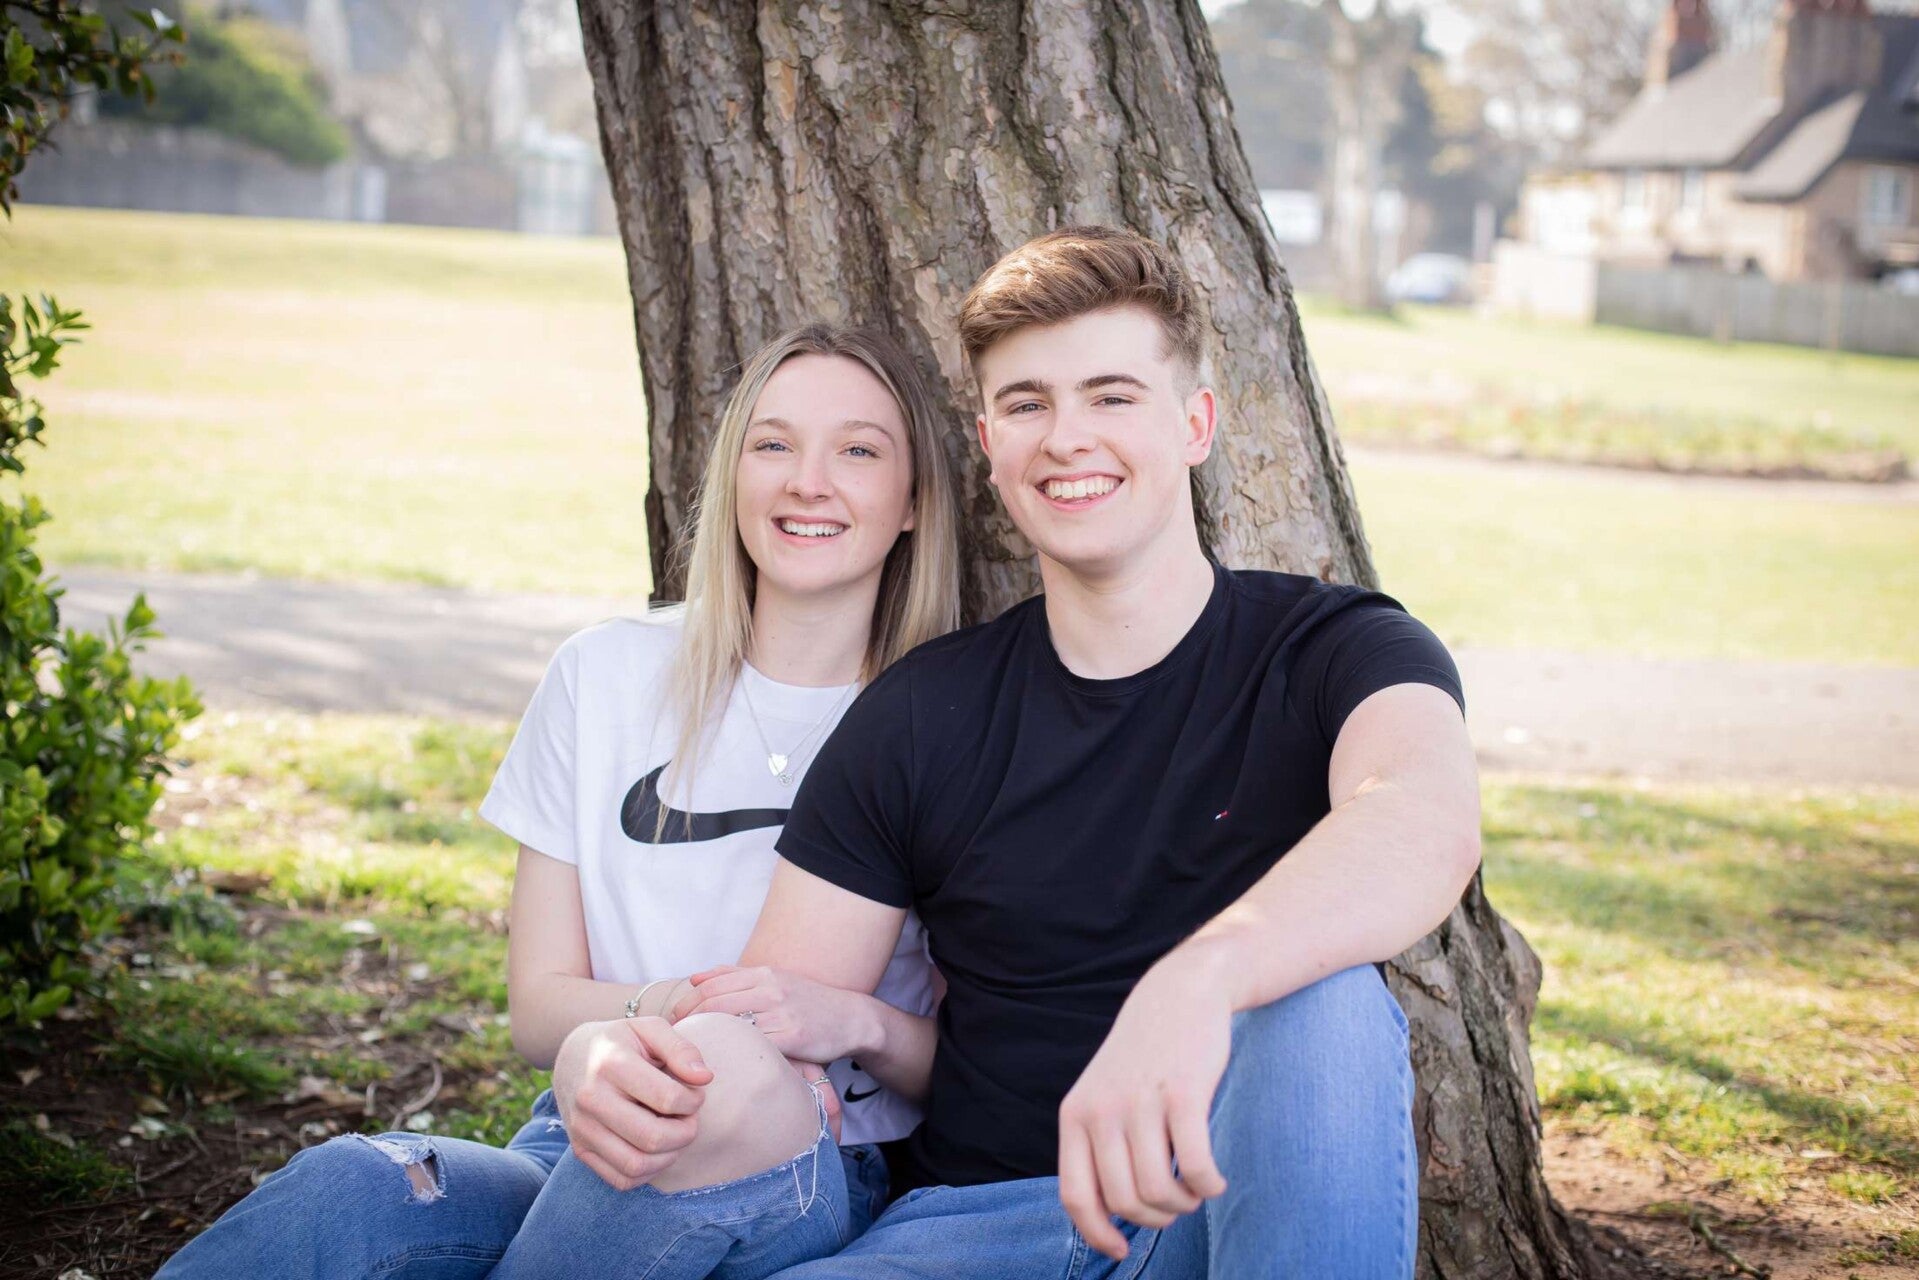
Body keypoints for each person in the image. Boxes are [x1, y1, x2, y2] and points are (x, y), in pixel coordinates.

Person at [556, 225, 1482, 1280]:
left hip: (1211, 1219)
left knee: (1322, 1002)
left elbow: (1418, 816)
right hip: (973, 1230)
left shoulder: (1336, 650)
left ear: (1194, 423)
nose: (1066, 438)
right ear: (989, 443)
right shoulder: (923, 711)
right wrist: (610, 1047)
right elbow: (770, 1028)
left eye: (1110, 396)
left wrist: (1195, 981)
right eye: (1027, 404)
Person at [154, 322, 963, 1280]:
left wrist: (850, 1023)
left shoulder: (954, 722)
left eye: (858, 451)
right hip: (581, 1138)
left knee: (723, 1077)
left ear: (914, 501)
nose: (807, 482)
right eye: (772, 444)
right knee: (358, 1187)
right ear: (731, 475)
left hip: (819, 1166)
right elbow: (538, 1006)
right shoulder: (605, 674)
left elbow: (974, 1061)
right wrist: (661, 1016)